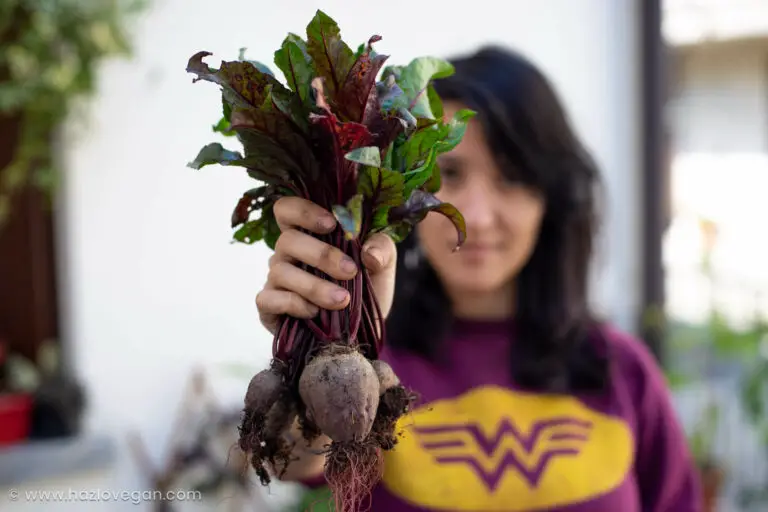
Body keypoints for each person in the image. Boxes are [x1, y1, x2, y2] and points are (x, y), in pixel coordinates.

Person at [254, 46, 701, 512]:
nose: (478, 217)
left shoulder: (621, 369)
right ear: (401, 190)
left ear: (551, 197)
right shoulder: (375, 361)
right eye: (449, 172)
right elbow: (291, 460)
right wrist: (315, 343)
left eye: (510, 178)